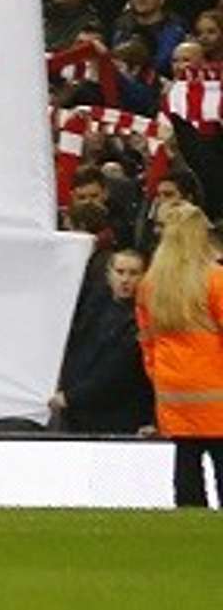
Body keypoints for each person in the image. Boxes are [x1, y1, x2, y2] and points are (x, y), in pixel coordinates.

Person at [136, 203, 223, 507]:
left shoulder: (150, 285)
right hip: (215, 390)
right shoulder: (215, 279)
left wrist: (160, 376)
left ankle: (188, 521)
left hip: (172, 390)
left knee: (186, 461)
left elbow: (147, 342)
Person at [52, 250, 154, 434]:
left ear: (145, 277)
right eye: (120, 272)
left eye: (133, 273)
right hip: (80, 412)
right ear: (109, 274)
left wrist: (70, 397)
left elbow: (117, 370)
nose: (125, 279)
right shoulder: (94, 308)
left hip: (119, 417)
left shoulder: (144, 317)